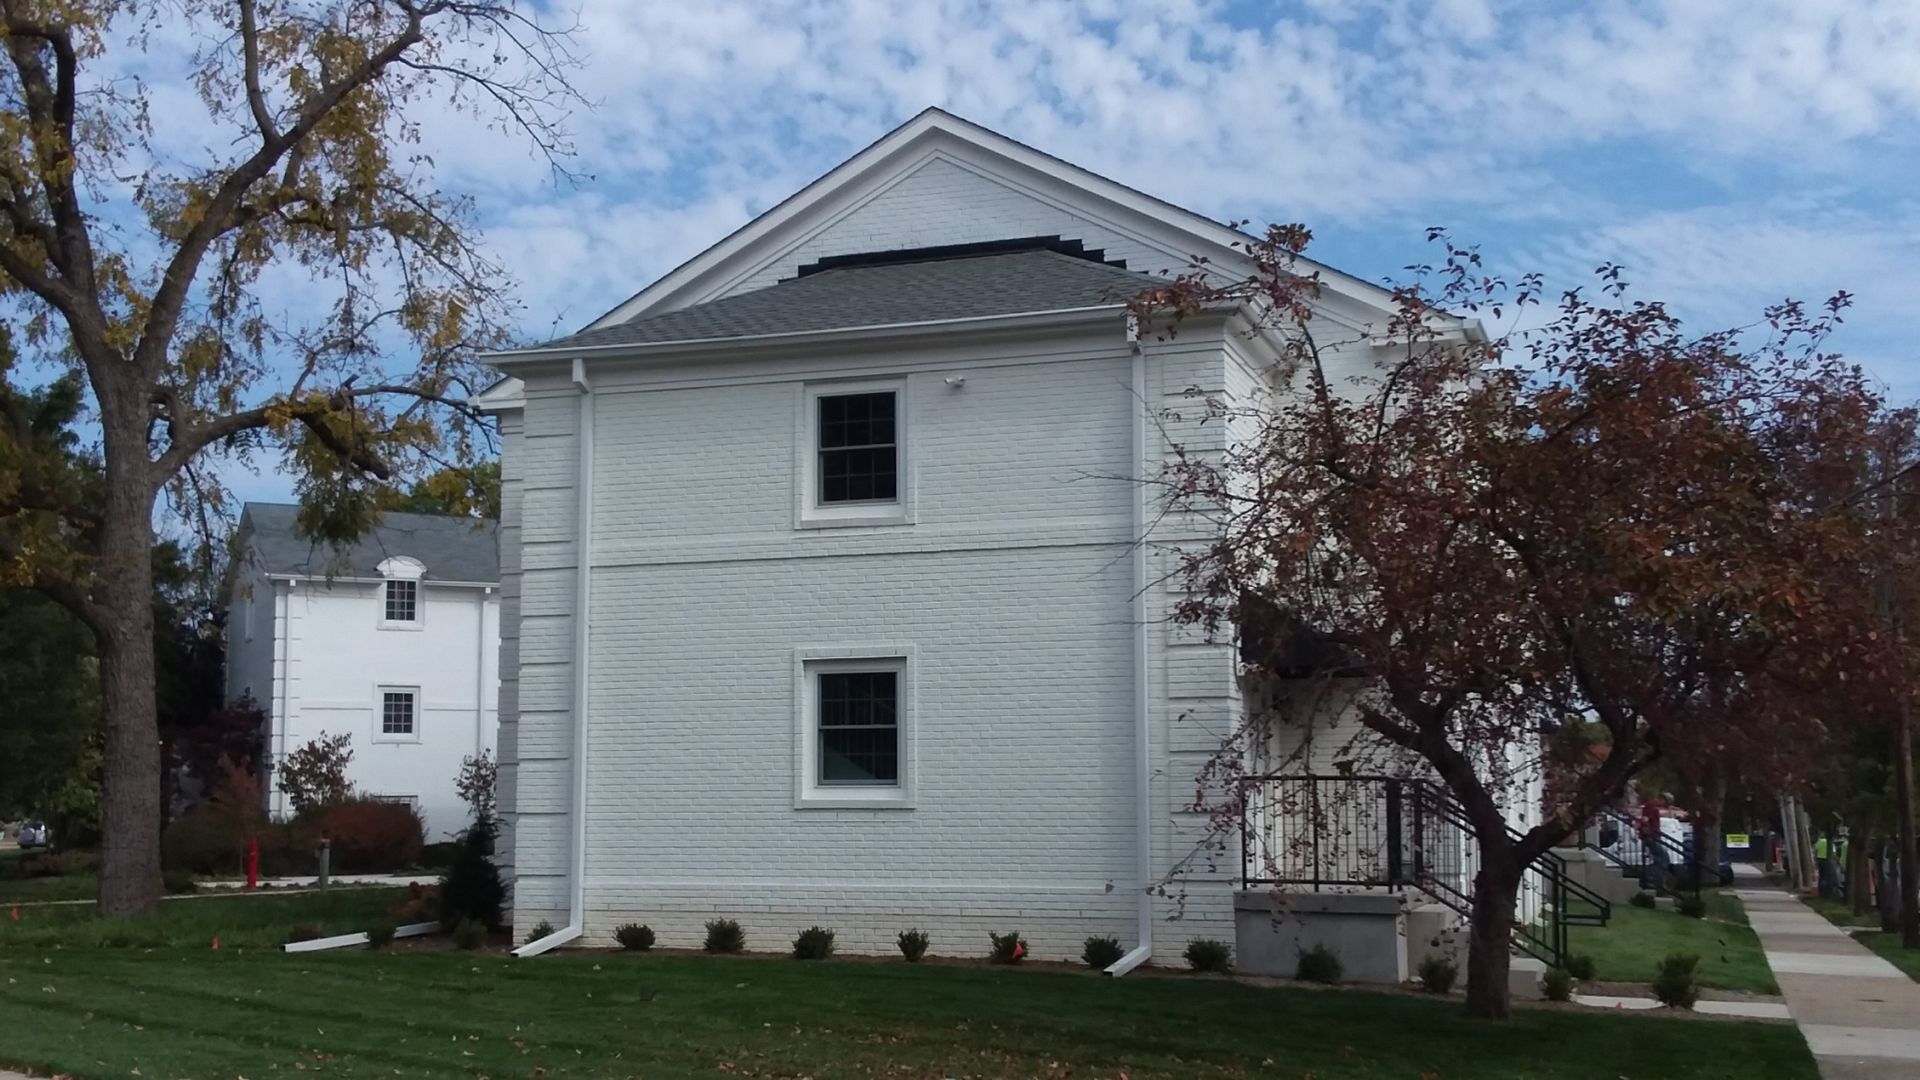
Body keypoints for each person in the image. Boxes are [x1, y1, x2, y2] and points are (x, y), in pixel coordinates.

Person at [1639, 792, 1671, 891]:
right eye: (1665, 803)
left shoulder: (1652, 806)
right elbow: (1645, 820)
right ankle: (1651, 876)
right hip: (1651, 836)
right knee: (1664, 858)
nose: (1664, 806)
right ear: (1663, 799)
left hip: (1652, 835)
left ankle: (1658, 880)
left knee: (1662, 858)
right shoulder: (1651, 806)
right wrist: (1648, 832)